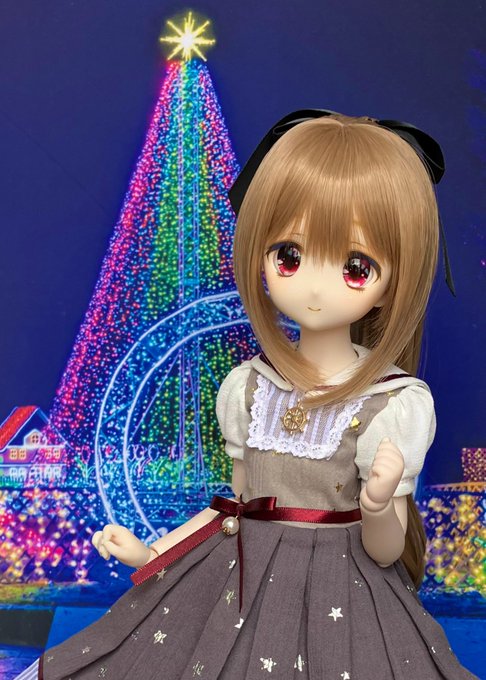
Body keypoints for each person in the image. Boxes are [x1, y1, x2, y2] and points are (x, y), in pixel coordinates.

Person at [17, 110, 478, 679]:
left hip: (341, 592)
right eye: (289, 256)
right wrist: (153, 554)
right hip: (238, 578)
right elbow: (233, 505)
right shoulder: (249, 388)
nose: (313, 286)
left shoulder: (391, 403)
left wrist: (379, 506)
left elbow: (386, 552)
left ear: (392, 282)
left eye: (355, 267)